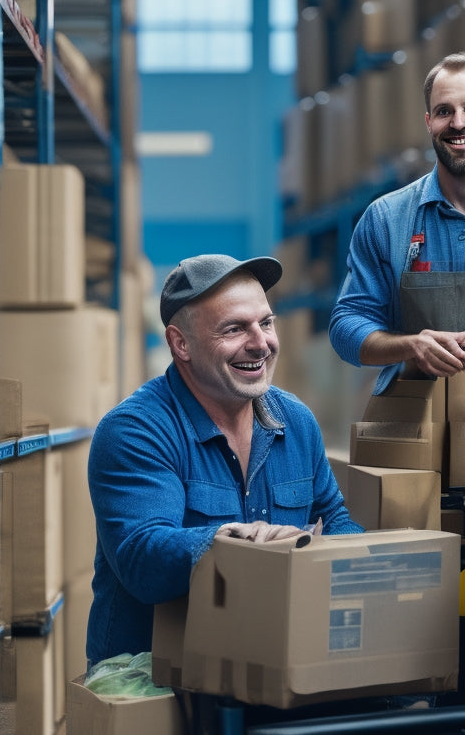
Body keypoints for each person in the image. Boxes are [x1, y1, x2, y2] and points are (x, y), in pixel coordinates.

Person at [328, 51, 465, 705]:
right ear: (426, 120)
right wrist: (409, 346)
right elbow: (348, 326)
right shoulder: (387, 220)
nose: (458, 123)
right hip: (417, 461)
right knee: (396, 636)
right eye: (445, 110)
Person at [86, 253, 363, 666]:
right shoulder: (136, 431)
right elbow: (142, 558)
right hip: (154, 679)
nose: (261, 343)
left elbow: (334, 516)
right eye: (234, 329)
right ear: (181, 344)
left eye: (266, 323)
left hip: (269, 662)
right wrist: (240, 543)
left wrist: (362, 557)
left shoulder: (296, 422)